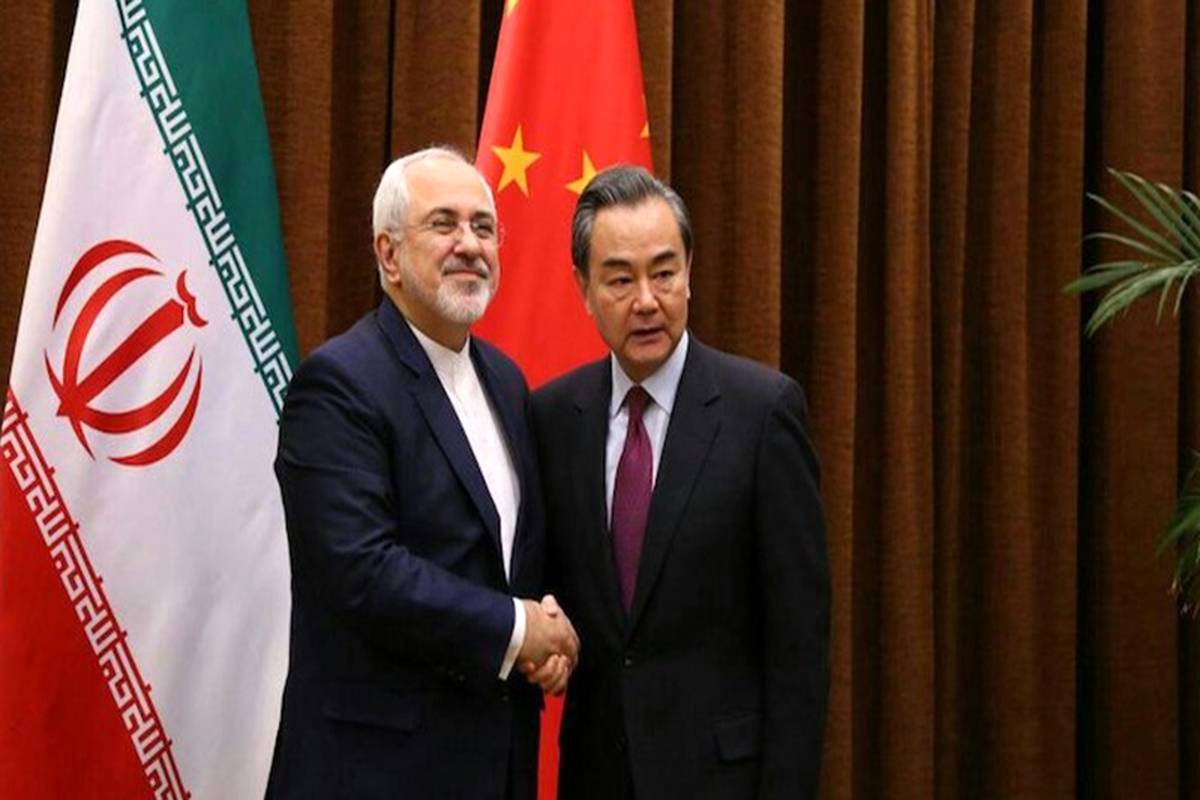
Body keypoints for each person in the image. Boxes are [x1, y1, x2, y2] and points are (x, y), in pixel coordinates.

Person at [266, 147, 578, 800]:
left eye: (483, 227)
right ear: (388, 255)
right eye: (444, 224)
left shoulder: (506, 382)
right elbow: (362, 572)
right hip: (376, 772)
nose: (470, 244)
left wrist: (546, 633)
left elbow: (509, 557)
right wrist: (517, 630)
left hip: (495, 765)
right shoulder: (340, 384)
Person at [531, 166, 829, 799]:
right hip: (596, 777)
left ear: (689, 271)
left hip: (722, 780)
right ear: (584, 288)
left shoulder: (763, 413)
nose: (646, 300)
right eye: (620, 279)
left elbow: (799, 647)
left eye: (664, 273)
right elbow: (549, 587)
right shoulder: (553, 418)